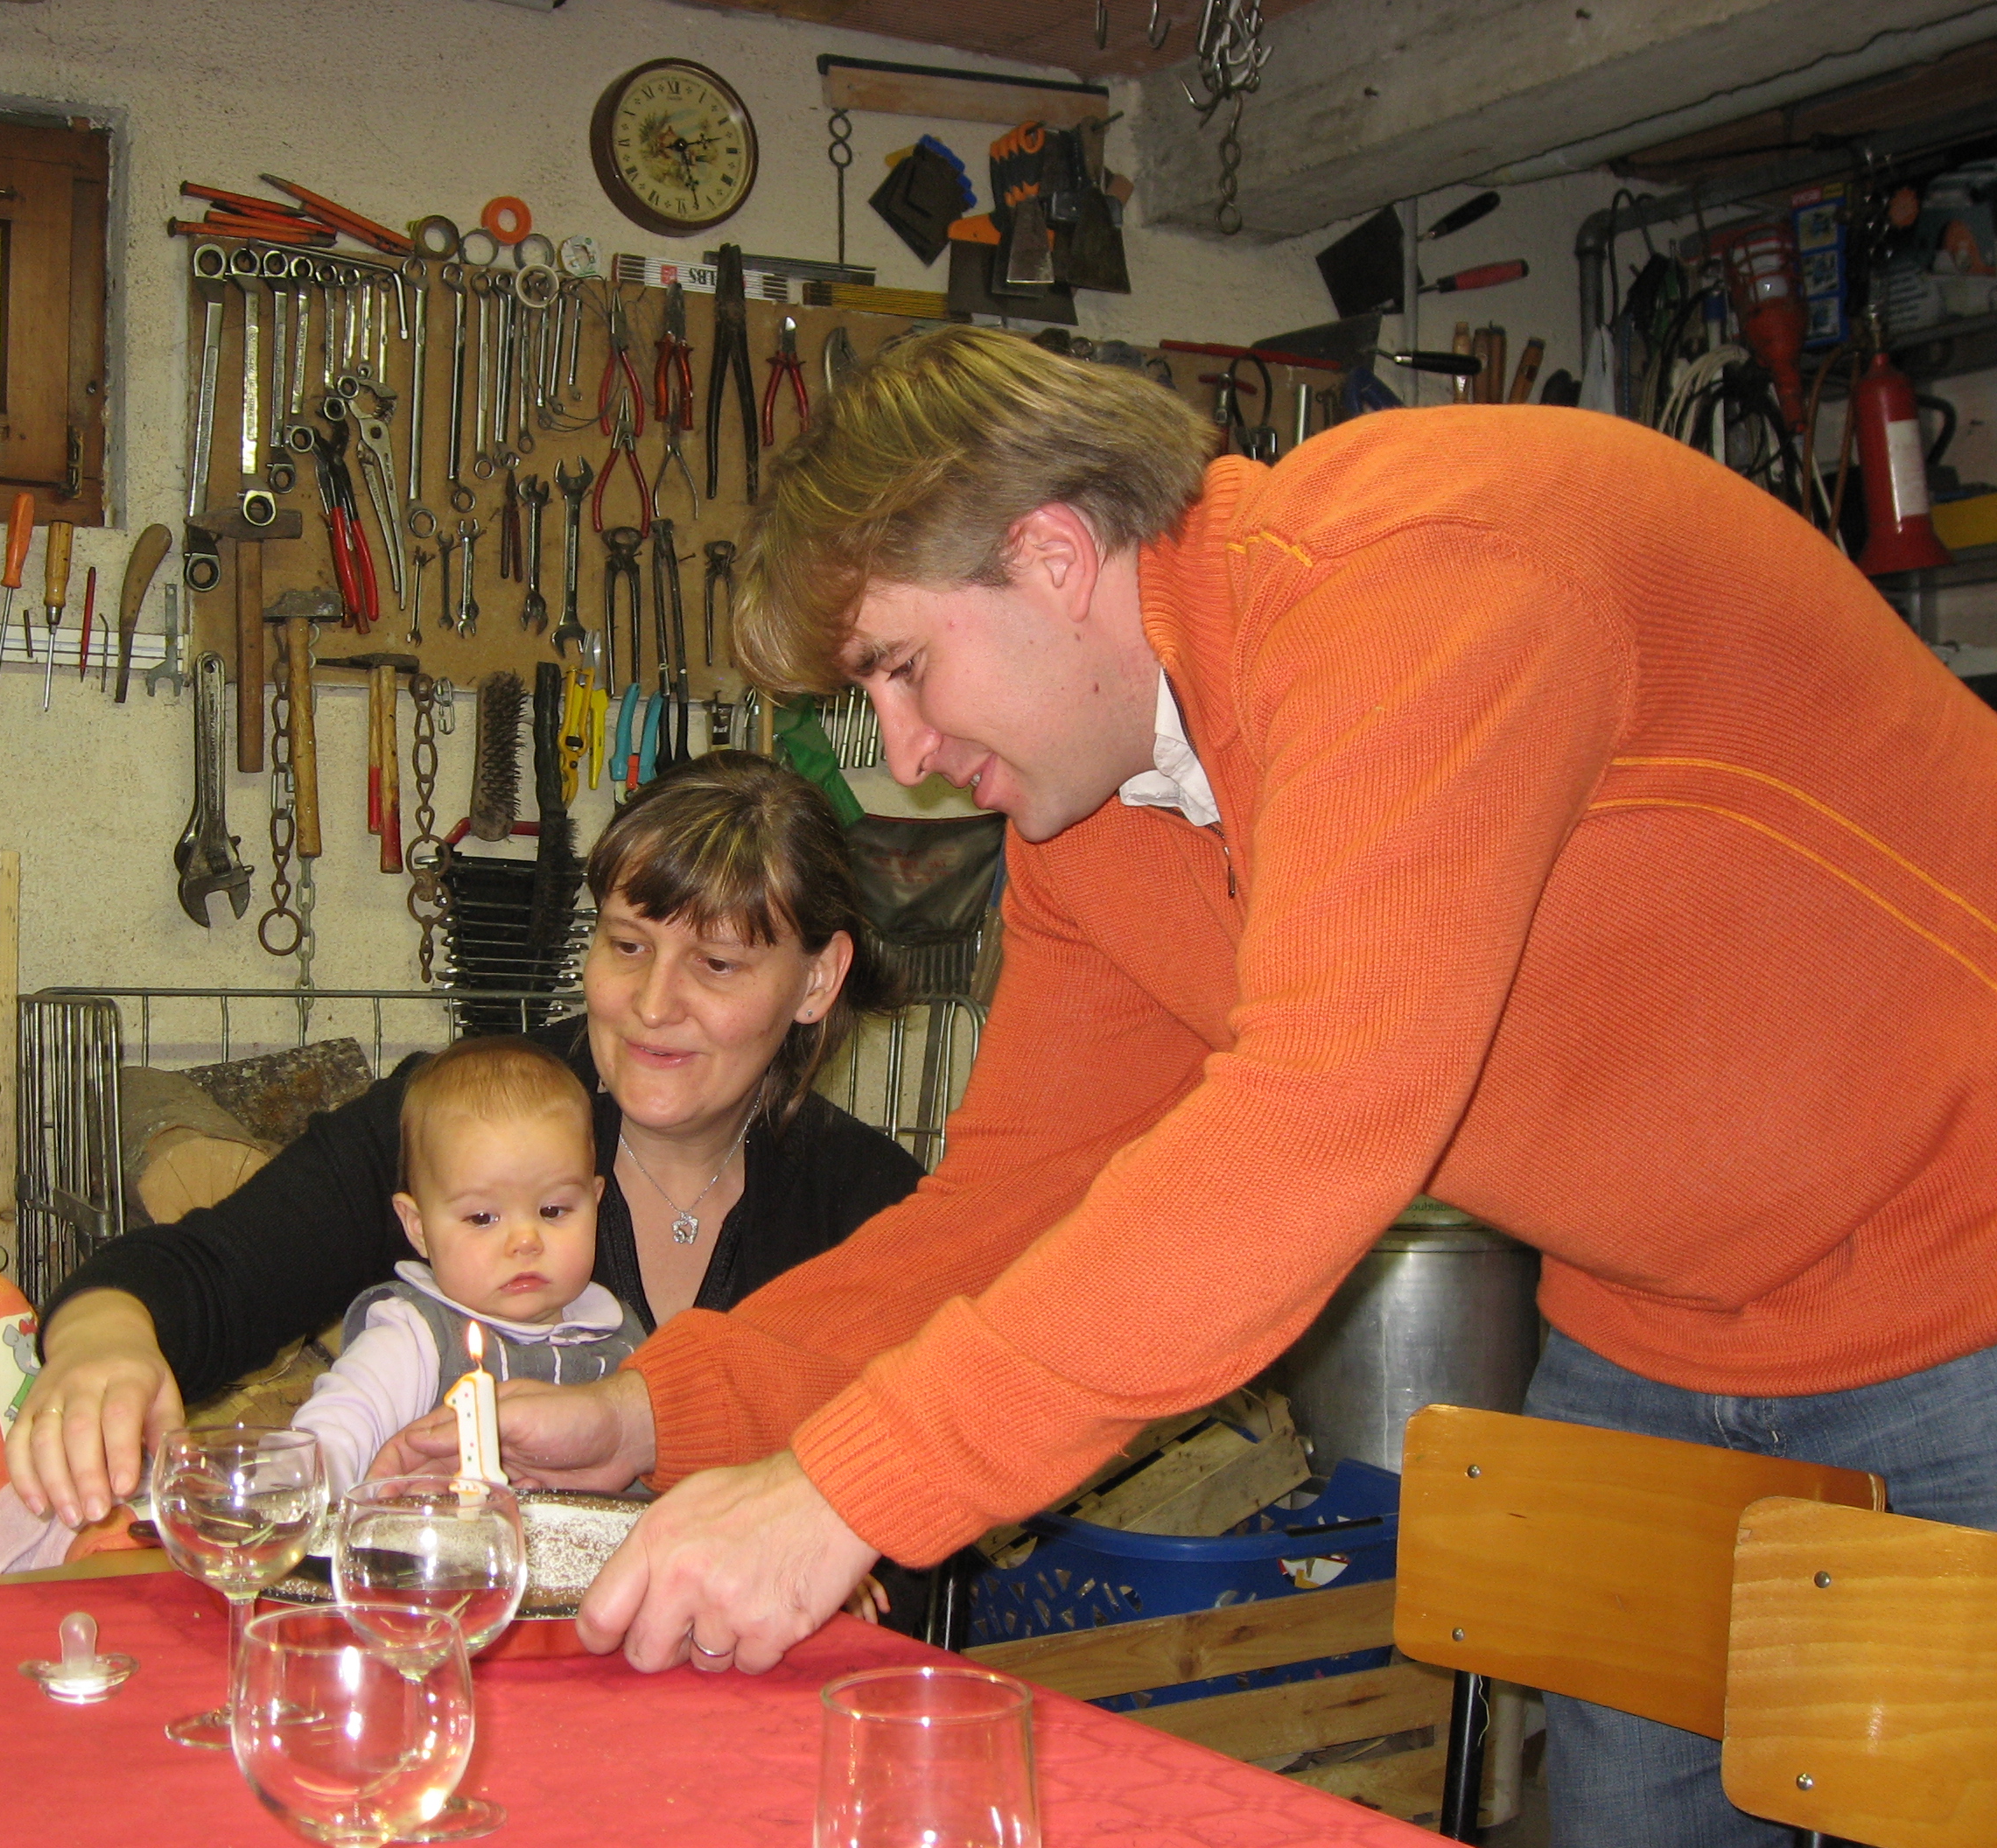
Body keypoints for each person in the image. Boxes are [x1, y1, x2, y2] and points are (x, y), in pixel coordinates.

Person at [385, 326, 1997, 1847]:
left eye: (903, 669)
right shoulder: (1095, 822)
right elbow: (1010, 1213)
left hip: (1968, 1284)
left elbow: (1315, 1118)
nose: (905, 752)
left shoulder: (1409, 583)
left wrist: (844, 1490)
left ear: (1052, 556)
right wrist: (660, 1413)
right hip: (1656, 1328)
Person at [4, 751, 921, 1532]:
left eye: (715, 964)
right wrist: (102, 1341)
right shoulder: (464, 1122)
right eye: (627, 945)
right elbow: (203, 1276)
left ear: (817, 980)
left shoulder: (875, 1210)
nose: (651, 1004)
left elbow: (914, 1488)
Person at [292, 1035, 639, 1493]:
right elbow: (343, 1423)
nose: (525, 1241)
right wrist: (303, 1479)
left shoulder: (622, 1335)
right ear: (418, 1227)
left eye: (552, 1210)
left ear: (594, 1203)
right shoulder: (413, 1335)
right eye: (482, 1218)